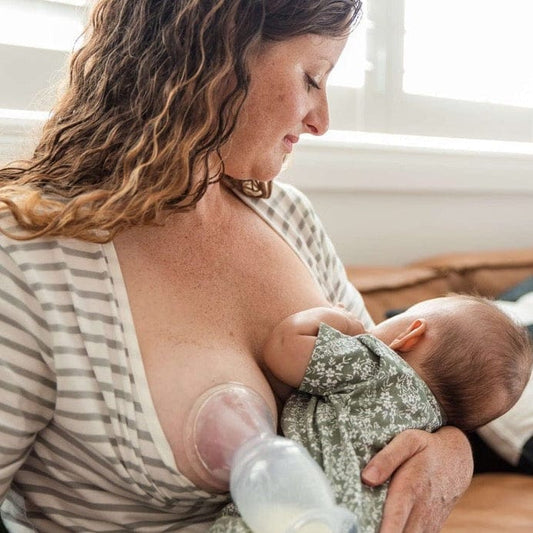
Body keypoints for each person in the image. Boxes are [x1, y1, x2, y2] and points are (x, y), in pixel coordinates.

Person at [0, 0, 473, 531]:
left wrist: (453, 453)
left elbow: (390, 380)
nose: (321, 121)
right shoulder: (27, 254)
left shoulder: (289, 217)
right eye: (313, 78)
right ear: (217, 55)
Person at [206, 295, 532, 532]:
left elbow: (283, 347)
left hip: (295, 509)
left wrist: (341, 320)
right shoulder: (428, 429)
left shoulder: (375, 364)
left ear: (410, 335)